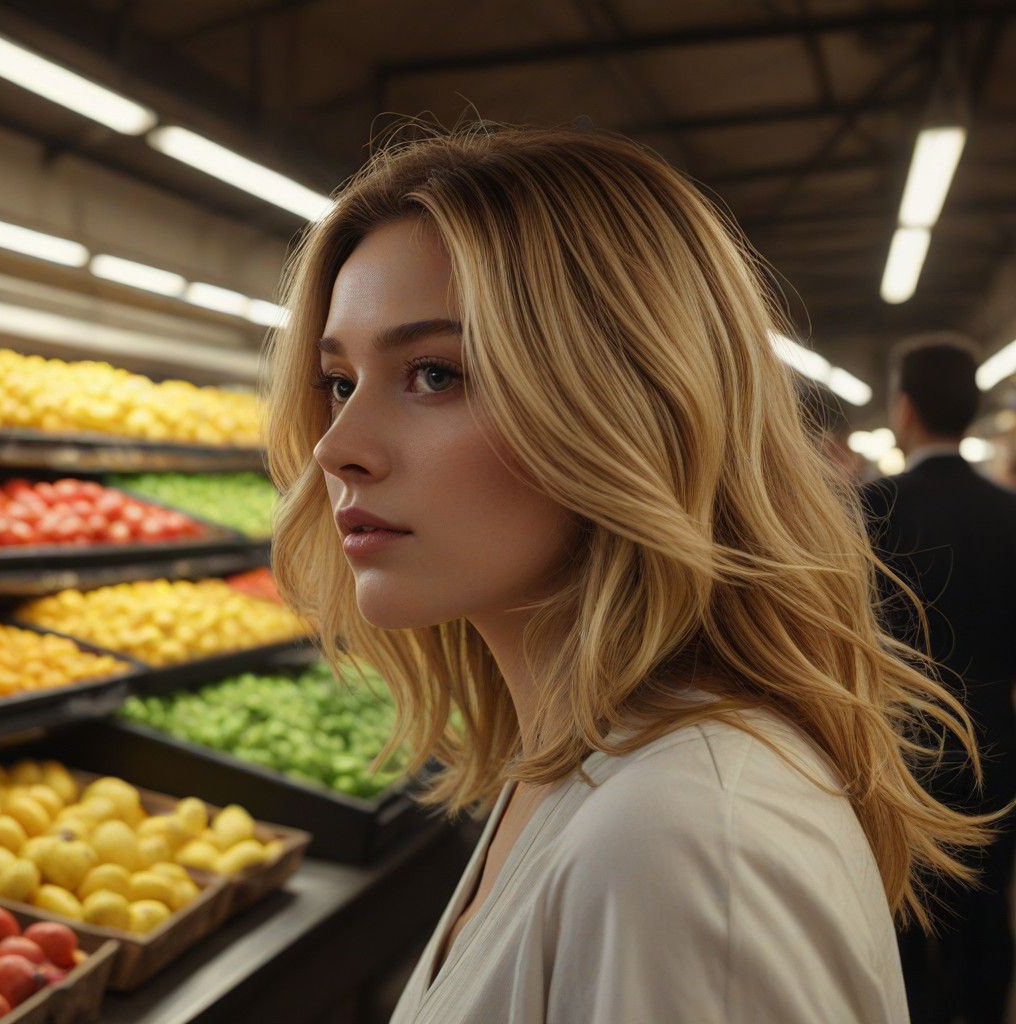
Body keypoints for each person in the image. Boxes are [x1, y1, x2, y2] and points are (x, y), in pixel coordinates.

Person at [264, 119, 1013, 1023]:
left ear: (630, 407)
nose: (337, 449)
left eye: (434, 373)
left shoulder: (683, 840)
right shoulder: (577, 763)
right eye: (339, 383)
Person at [860, 335, 1016, 1024]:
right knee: (987, 918)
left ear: (906, 409)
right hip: (998, 750)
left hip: (902, 753)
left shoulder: (871, 511)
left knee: (903, 917)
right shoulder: (1010, 514)